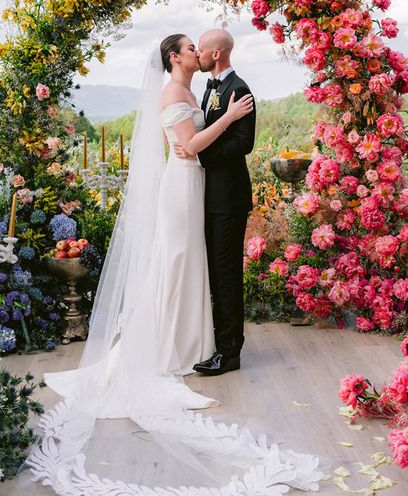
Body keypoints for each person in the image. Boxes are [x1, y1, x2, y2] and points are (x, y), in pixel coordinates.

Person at [27, 34, 323, 494]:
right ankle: (175, 343)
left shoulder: (205, 89)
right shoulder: (177, 92)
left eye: (200, 48)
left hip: (202, 190)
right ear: (175, 57)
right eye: (190, 47)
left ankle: (202, 343)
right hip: (183, 189)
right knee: (179, 261)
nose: (196, 53)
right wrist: (221, 122)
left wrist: (208, 135)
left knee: (194, 267)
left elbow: (207, 146)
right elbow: (187, 143)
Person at [175, 29, 255, 376]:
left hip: (229, 199)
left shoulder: (239, 89)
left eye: (202, 49)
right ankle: (218, 342)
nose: (199, 53)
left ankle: (229, 353)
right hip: (210, 197)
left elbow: (243, 144)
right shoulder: (209, 89)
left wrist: (200, 157)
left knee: (226, 276)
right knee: (215, 273)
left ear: (216, 54)